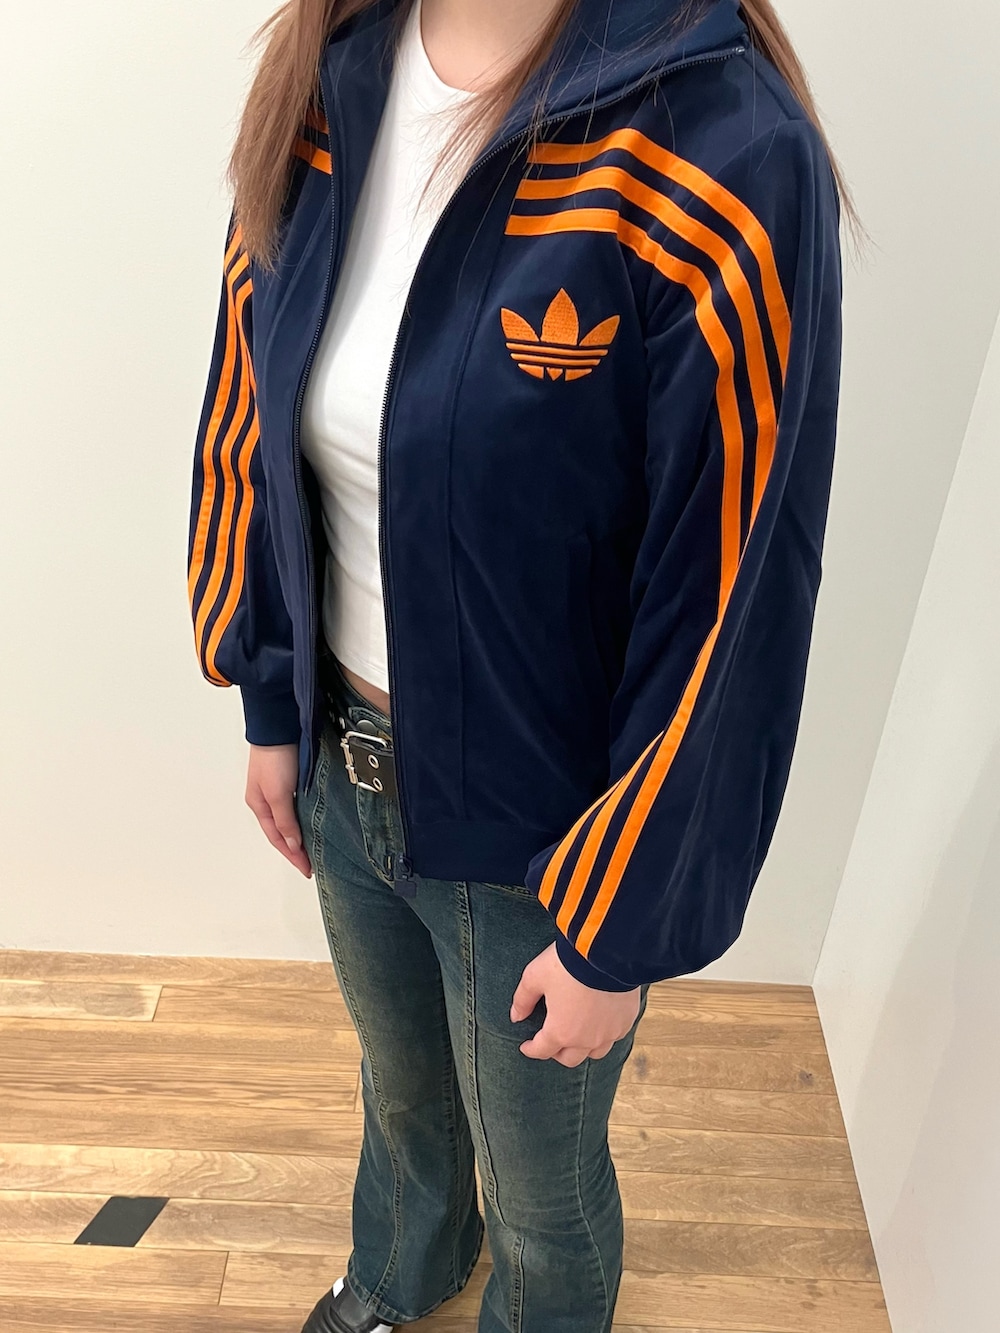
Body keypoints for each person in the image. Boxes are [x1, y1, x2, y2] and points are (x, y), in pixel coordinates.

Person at [186, 0, 847, 1328]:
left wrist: (618, 924)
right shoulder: (332, 77)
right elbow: (250, 405)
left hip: (547, 844)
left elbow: (728, 597)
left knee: (543, 1191)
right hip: (344, 769)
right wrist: (272, 697)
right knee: (403, 1096)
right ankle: (404, 1265)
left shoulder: (723, 146)